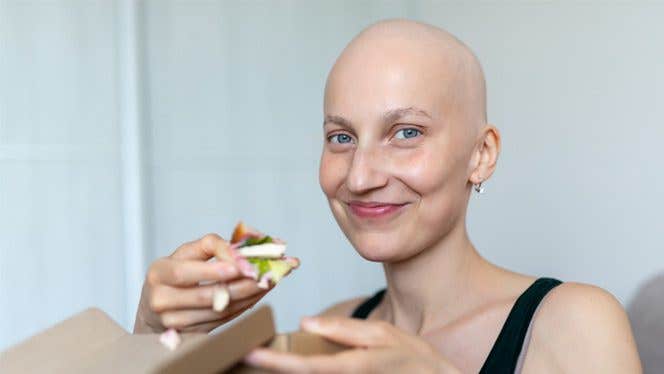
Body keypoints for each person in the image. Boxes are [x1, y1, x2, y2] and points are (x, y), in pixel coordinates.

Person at [134, 19, 642, 373]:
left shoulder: (574, 321)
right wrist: (155, 336)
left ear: (481, 154)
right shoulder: (334, 329)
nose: (359, 177)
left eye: (406, 133)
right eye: (342, 138)